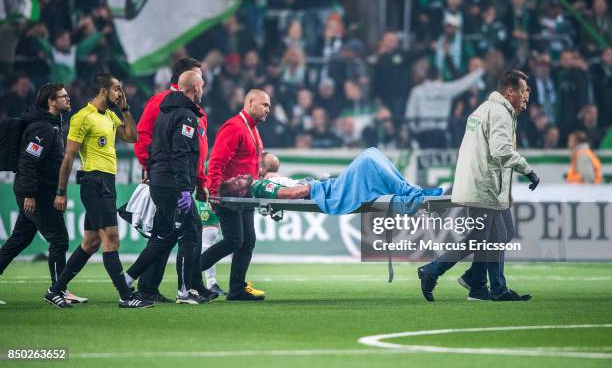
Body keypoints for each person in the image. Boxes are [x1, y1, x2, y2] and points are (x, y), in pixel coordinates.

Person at [418, 70, 539, 302]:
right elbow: (501, 151)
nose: (526, 98)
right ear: (510, 92)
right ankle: (438, 272)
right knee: (485, 237)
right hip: (484, 186)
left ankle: (477, 284)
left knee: (498, 234)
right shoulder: (500, 113)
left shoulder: (484, 109)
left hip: (484, 184)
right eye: (524, 92)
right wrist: (527, 170)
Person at [44, 73, 151, 309]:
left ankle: (55, 290)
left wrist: (126, 109)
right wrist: (60, 191)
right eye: (116, 89)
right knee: (111, 240)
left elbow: (132, 137)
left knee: (91, 243)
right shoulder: (83, 117)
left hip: (107, 182)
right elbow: (69, 156)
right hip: (94, 182)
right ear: (103, 90)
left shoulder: (111, 115)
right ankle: (125, 295)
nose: (120, 93)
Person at [133, 57, 218, 302]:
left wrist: (201, 180)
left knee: (169, 233)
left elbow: (199, 150)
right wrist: (150, 166)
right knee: (184, 231)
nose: (202, 81)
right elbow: (144, 135)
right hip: (169, 178)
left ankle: (150, 286)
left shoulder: (196, 109)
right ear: (185, 78)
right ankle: (184, 287)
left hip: (184, 178)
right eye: (198, 76)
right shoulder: (160, 103)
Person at [0, 84, 86, 305]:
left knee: (19, 240)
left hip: (36, 192)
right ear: (51, 101)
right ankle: (58, 290)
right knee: (59, 240)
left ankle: (60, 288)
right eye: (63, 96)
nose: (68, 99)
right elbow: (28, 162)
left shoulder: (51, 125)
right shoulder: (43, 130)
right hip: (37, 194)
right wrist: (29, 194)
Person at [223, 148, 443, 216]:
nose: (238, 176)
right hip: (325, 191)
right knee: (368, 158)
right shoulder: (261, 186)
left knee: (373, 156)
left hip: (325, 187)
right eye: (235, 181)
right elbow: (293, 195)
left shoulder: (264, 181)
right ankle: (414, 194)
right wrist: (314, 186)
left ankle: (412, 193)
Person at [203, 89, 270, 301]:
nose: (268, 109)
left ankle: (237, 289)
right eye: (264, 105)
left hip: (245, 195)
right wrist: (214, 193)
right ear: (250, 102)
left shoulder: (253, 129)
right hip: (229, 195)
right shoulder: (234, 127)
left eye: (268, 105)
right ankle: (190, 273)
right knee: (234, 240)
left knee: (248, 240)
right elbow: (216, 162)